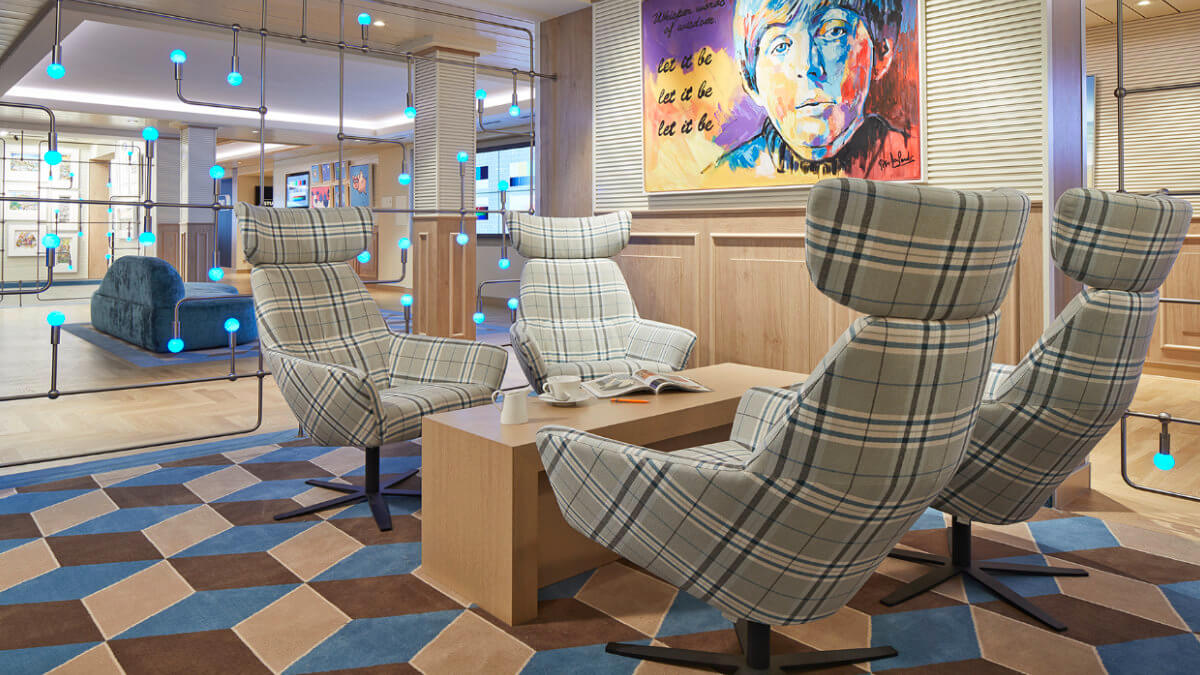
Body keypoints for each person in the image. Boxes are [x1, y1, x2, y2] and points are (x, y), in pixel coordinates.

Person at [712, 0, 915, 178]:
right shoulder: (727, 173)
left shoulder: (907, 154)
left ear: (881, 52)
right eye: (781, 46)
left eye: (834, 32)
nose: (808, 65)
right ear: (751, 82)